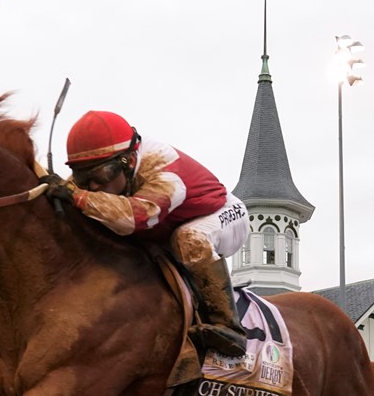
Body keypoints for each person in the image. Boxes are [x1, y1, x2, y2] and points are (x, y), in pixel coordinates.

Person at [54, 111, 250, 357]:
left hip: (222, 214)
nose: (93, 186)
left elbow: (132, 218)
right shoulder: (111, 162)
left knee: (189, 239)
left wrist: (76, 195)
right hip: (166, 226)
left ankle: (229, 328)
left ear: (129, 161)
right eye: (83, 177)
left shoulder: (165, 171)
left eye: (101, 175)